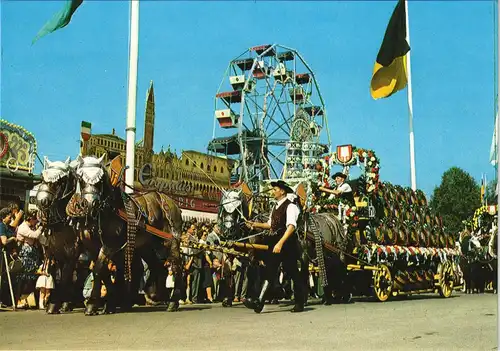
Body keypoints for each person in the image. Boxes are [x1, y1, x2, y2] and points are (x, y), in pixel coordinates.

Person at [245, 180, 305, 313]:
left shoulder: (290, 207)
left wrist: (280, 243)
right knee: (270, 270)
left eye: (275, 189)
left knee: (292, 271)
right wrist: (254, 225)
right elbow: (270, 225)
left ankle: (300, 302)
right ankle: (259, 301)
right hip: (275, 240)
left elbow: (291, 227)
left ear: (282, 191)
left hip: (287, 243)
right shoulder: (275, 206)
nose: (273, 192)